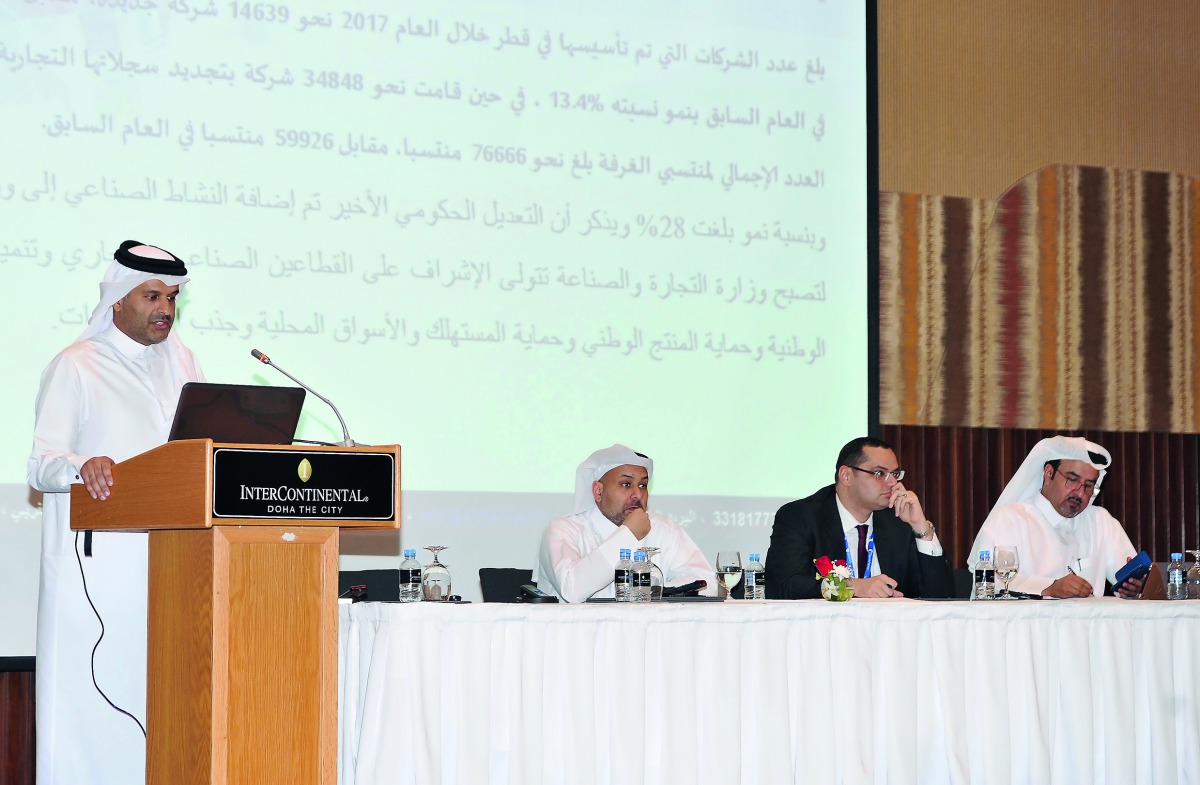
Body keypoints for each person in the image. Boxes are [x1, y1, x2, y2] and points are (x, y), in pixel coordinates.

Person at [27, 241, 205, 785]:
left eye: (172, 298)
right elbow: (41, 464)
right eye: (152, 296)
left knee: (160, 703)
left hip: (172, 566)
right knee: (93, 714)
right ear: (117, 302)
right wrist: (83, 466)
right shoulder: (75, 366)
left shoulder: (183, 363)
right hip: (97, 573)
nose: (165, 310)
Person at [765, 436, 955, 599]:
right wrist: (853, 586)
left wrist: (921, 527)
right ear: (846, 476)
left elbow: (942, 596)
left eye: (895, 474)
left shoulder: (898, 522)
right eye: (880, 473)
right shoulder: (801, 517)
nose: (893, 483)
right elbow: (786, 586)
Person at [534, 444, 716, 602]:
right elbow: (572, 590)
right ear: (598, 491)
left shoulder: (664, 529)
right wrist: (628, 535)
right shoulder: (563, 530)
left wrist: (655, 590)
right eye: (626, 484)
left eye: (643, 485)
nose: (637, 494)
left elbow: (706, 584)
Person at [967, 435, 1143, 598]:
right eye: (1072, 480)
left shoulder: (1101, 521)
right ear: (1049, 473)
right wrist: (1049, 587)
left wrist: (1134, 587)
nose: (1080, 493)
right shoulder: (1009, 520)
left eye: (1088, 486)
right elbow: (988, 584)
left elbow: (1128, 577)